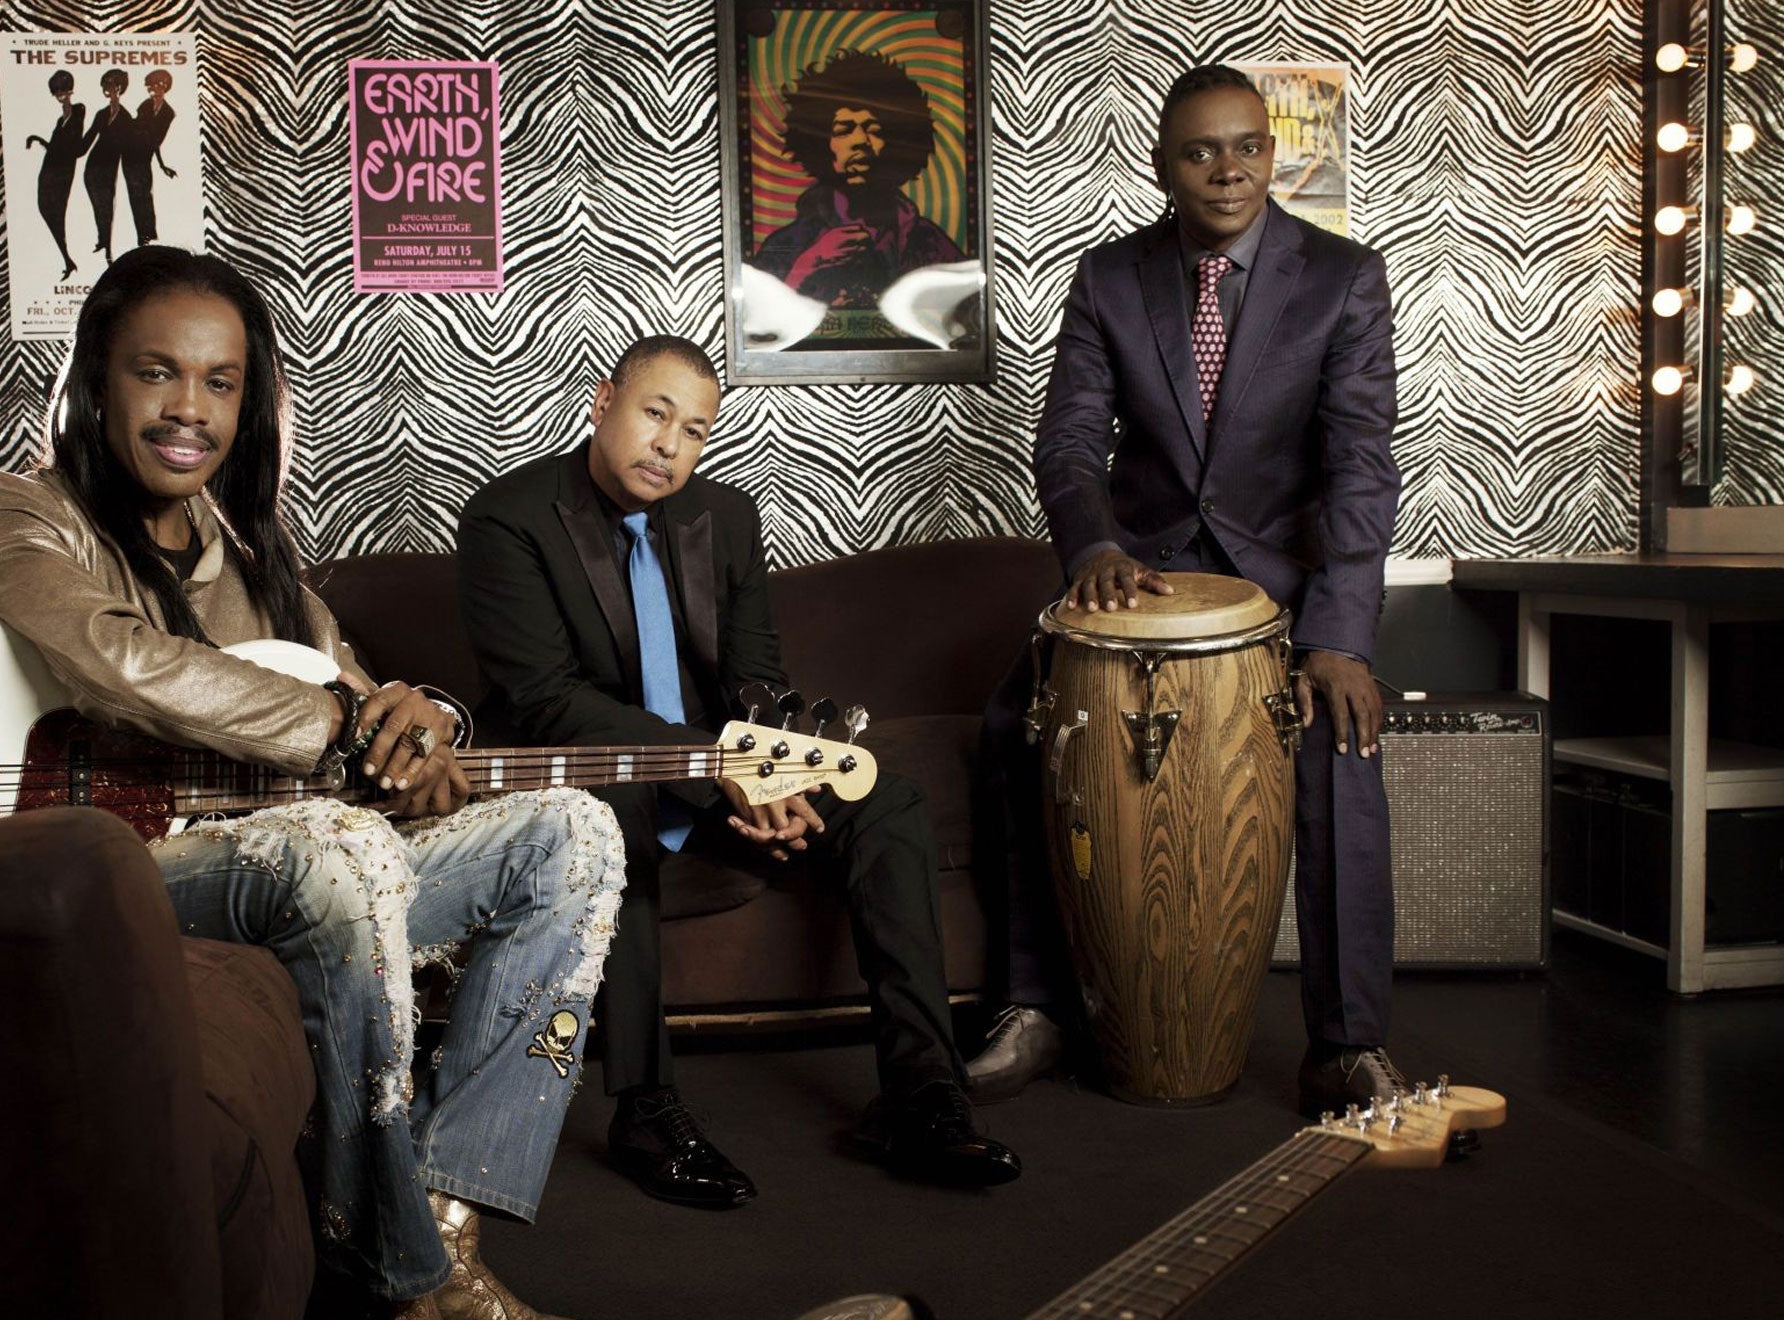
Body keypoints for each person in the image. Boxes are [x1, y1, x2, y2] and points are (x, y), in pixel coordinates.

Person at [0, 246, 651, 1320]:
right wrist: (332, 723)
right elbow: (105, 654)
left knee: (569, 833)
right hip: (93, 864)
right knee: (332, 845)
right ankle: (376, 1306)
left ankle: (447, 1241)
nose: (188, 410)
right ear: (94, 382)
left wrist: (426, 724)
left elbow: (364, 708)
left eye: (220, 383)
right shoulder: (8, 512)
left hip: (293, 863)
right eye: (155, 373)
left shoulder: (260, 558)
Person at [456, 335, 1020, 1209]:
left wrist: (770, 772)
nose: (670, 445)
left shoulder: (727, 517)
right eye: (654, 414)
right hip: (593, 773)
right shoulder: (509, 516)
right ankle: (645, 1107)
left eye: (694, 430)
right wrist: (710, 764)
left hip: (720, 767)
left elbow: (758, 678)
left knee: (888, 802)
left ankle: (920, 1093)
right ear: (604, 402)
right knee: (608, 817)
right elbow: (546, 700)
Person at [969, 65, 1404, 1119]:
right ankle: (1029, 1008)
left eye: (1247, 146)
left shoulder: (1343, 277)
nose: (1228, 170)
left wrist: (1338, 637)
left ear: (1272, 150)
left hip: (1283, 587)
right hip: (1141, 572)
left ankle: (1344, 1043)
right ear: (1164, 165)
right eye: (1201, 151)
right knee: (1010, 729)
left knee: (1340, 742)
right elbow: (1070, 437)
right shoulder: (1109, 277)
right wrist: (1092, 550)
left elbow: (1359, 464)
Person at [751, 48, 963, 309]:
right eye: (844, 129)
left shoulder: (929, 242)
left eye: (874, 129)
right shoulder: (787, 244)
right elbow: (756, 323)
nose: (860, 142)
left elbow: (965, 320)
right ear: (818, 143)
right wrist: (808, 264)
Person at [24, 69, 85, 280]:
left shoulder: (78, 111)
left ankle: (68, 259)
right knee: (44, 208)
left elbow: (74, 147)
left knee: (56, 212)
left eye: (64, 91)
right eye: (57, 93)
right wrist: (38, 139)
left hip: (63, 171)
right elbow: (56, 147)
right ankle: (67, 259)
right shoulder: (61, 120)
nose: (61, 96)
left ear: (70, 90)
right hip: (49, 169)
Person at [79, 69, 136, 264]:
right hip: (92, 167)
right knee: (98, 206)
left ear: (119, 88)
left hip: (109, 170)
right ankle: (103, 240)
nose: (107, 89)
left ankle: (108, 249)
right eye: (105, 85)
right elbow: (86, 143)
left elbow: (130, 149)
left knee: (107, 207)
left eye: (111, 85)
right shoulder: (101, 114)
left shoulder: (127, 118)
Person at [123, 69, 179, 248]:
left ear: (165, 87)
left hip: (144, 157)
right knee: (136, 196)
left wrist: (162, 166)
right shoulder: (145, 106)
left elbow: (156, 140)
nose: (154, 89)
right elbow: (135, 126)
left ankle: (148, 234)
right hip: (130, 155)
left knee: (145, 195)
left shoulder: (168, 113)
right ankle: (143, 236)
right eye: (151, 86)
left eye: (158, 85)